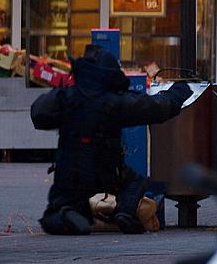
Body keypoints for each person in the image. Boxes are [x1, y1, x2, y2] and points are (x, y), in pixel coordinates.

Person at [31, 44, 192, 235]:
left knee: (61, 205)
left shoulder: (68, 98)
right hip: (106, 171)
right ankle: (126, 213)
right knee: (134, 182)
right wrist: (178, 91)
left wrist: (62, 97)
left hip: (69, 171)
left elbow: (38, 113)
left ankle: (66, 212)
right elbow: (157, 107)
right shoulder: (115, 102)